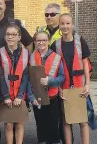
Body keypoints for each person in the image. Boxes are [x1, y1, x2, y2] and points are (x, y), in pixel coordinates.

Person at [0, 0, 33, 144]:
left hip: (15, 82)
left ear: (4, 5)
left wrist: (24, 60)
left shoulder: (15, 23)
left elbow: (29, 42)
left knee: (14, 121)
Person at [51, 13, 91, 144]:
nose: (65, 26)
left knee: (83, 121)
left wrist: (88, 84)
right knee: (66, 120)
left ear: (72, 25)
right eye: (62, 23)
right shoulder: (55, 45)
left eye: (68, 23)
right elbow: (54, 69)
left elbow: (85, 63)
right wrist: (58, 88)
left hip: (80, 86)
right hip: (65, 88)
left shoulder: (80, 40)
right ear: (59, 26)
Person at [0, 24, 38, 144]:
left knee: (19, 123)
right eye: (8, 34)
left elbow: (26, 76)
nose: (10, 37)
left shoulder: (26, 53)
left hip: (20, 95)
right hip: (6, 95)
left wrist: (20, 96)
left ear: (19, 37)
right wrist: (5, 96)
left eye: (13, 34)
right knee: (9, 124)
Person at [30, 31, 65, 144]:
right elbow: (27, 79)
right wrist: (31, 97)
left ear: (48, 41)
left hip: (52, 98)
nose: (41, 42)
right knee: (40, 126)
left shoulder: (56, 57)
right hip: (37, 98)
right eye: (39, 40)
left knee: (53, 126)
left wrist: (51, 81)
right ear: (35, 42)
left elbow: (62, 77)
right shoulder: (31, 57)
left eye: (44, 40)